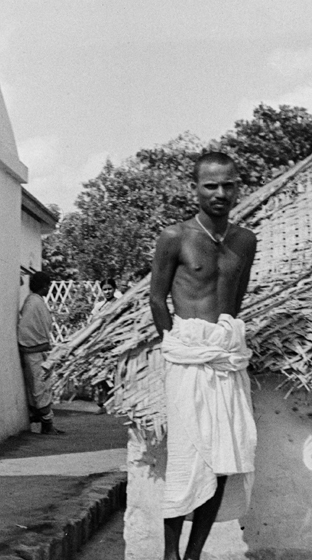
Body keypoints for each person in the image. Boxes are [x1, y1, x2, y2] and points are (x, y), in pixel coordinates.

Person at [149, 152, 257, 560]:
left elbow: (235, 300)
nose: (220, 193)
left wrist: (222, 340)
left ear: (237, 187)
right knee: (187, 457)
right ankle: (170, 554)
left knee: (223, 459)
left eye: (228, 184)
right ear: (194, 188)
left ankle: (194, 554)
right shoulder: (174, 237)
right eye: (211, 185)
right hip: (186, 358)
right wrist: (175, 345)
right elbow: (157, 299)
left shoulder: (245, 240)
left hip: (224, 357)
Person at [18, 271, 64, 435]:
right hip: (34, 352)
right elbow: (25, 329)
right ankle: (47, 424)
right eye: (48, 286)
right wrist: (32, 347)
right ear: (44, 286)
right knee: (39, 389)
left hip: (39, 350)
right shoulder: (33, 303)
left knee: (44, 388)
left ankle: (47, 423)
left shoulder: (36, 302)